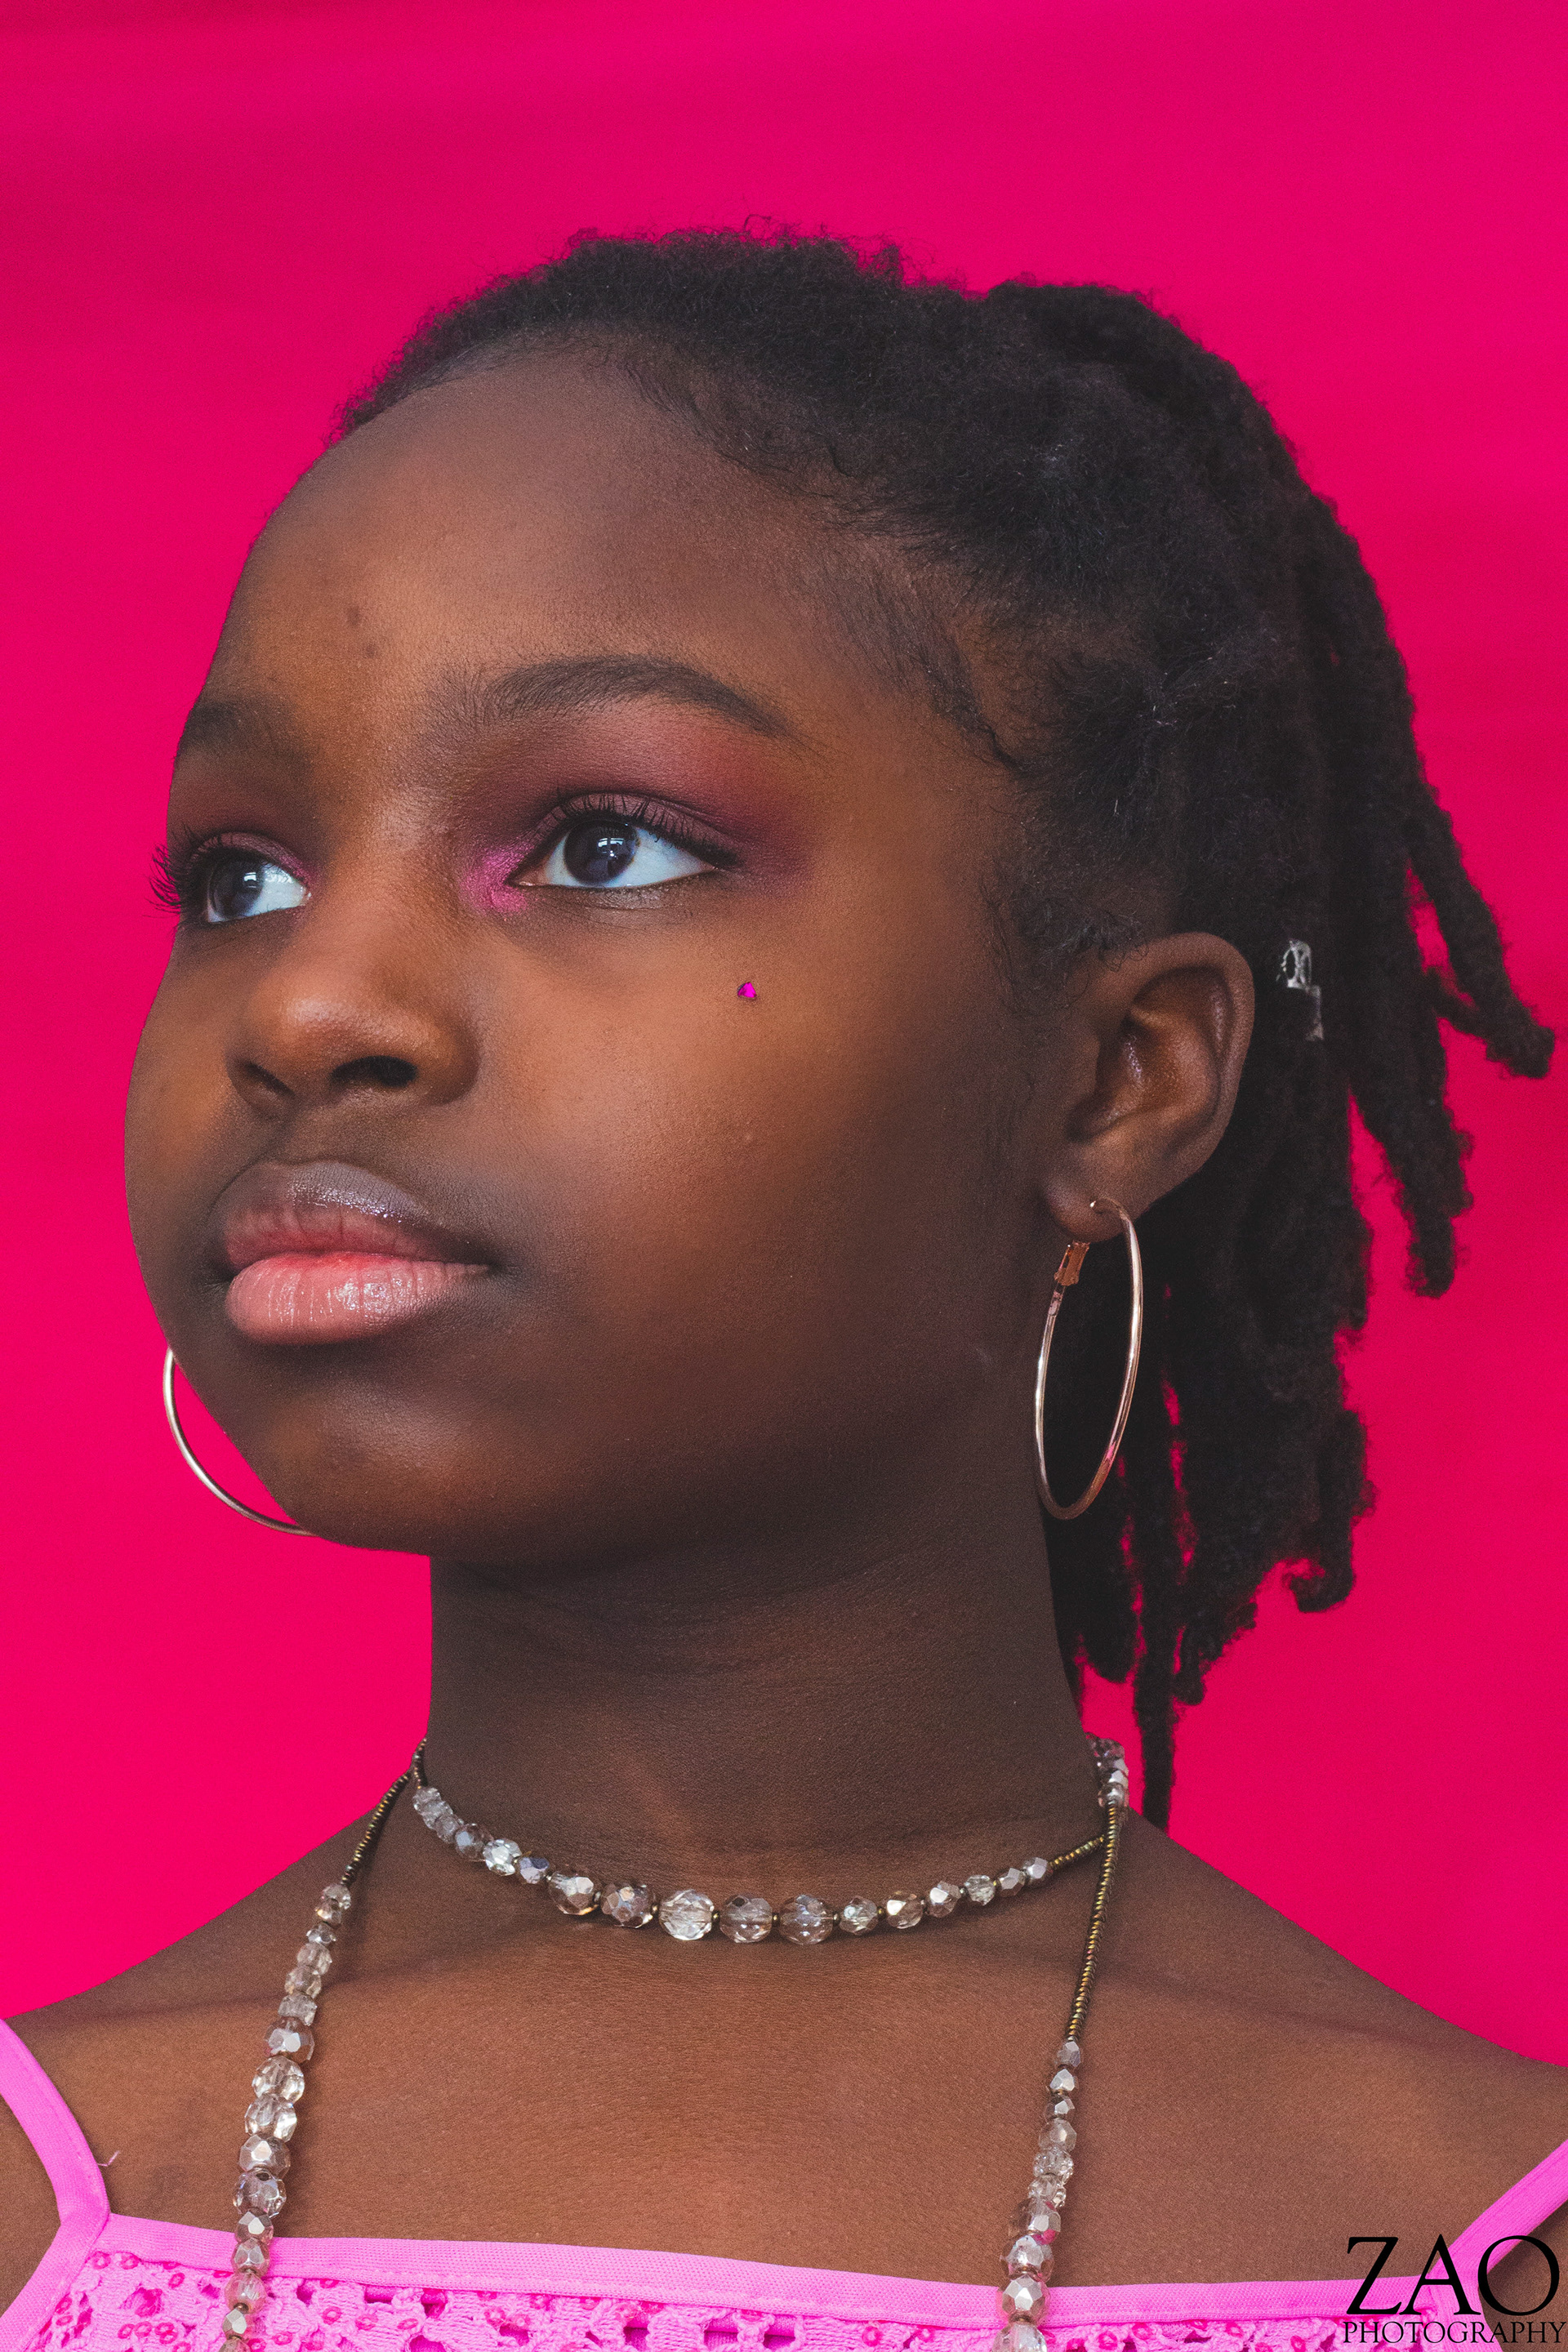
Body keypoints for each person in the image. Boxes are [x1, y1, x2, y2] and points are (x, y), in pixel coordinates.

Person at [2, 229, 1562, 2343]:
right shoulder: (52, 2211)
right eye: (240, 873)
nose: (308, 1005)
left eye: (606, 844)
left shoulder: (1485, 2258)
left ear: (1119, 1078)